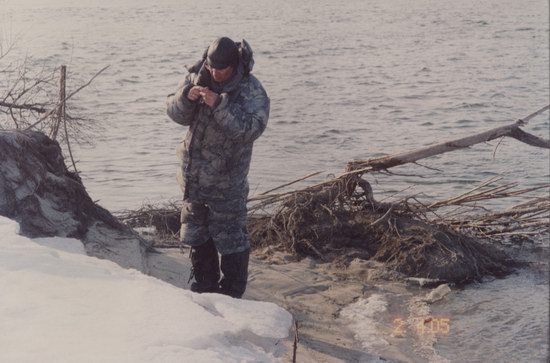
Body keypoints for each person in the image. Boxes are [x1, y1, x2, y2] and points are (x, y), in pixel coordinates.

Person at [166, 37, 269, 298]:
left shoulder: (251, 89)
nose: (214, 73)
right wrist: (186, 99)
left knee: (232, 237)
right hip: (194, 179)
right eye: (211, 67)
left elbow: (251, 129)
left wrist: (220, 105)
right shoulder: (196, 77)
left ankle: (233, 293)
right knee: (196, 233)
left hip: (228, 181)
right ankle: (204, 288)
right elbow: (174, 112)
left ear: (234, 66)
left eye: (220, 69)